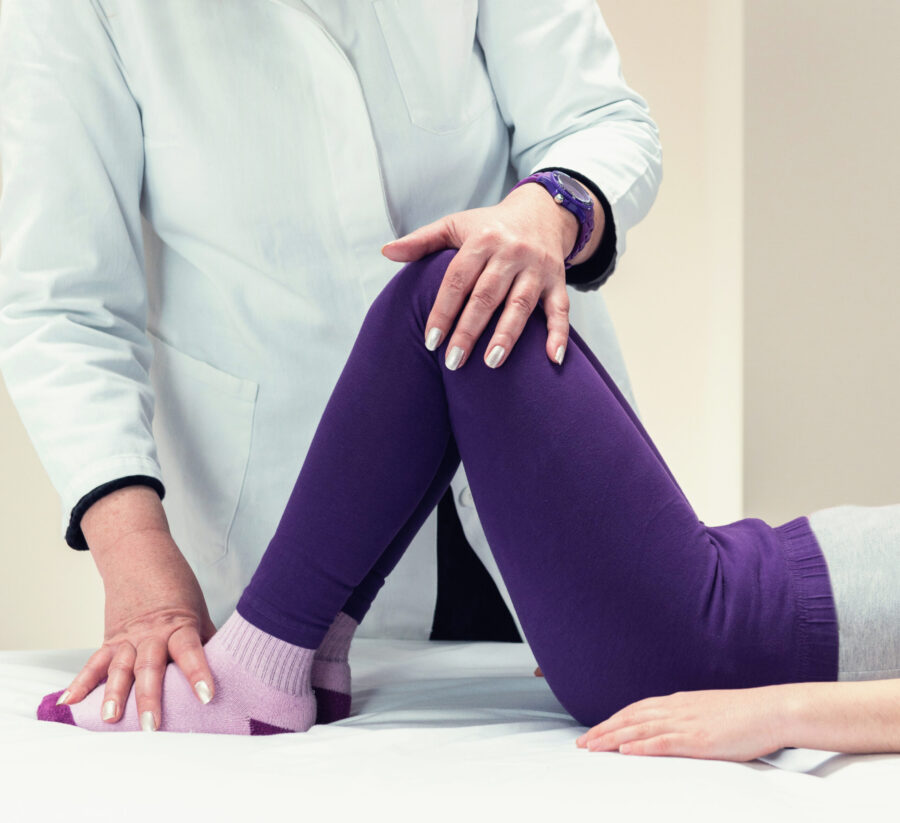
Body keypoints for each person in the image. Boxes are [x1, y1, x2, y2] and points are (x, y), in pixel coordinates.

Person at [0, 1, 661, 718]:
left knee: (611, 691)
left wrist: (550, 208)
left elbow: (597, 120)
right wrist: (137, 563)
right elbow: (62, 301)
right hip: (287, 506)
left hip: (524, 422)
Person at [38, 247, 900, 762]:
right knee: (465, 290)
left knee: (451, 293)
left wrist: (772, 711)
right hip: (742, 586)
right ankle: (311, 654)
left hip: (727, 637)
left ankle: (259, 672)